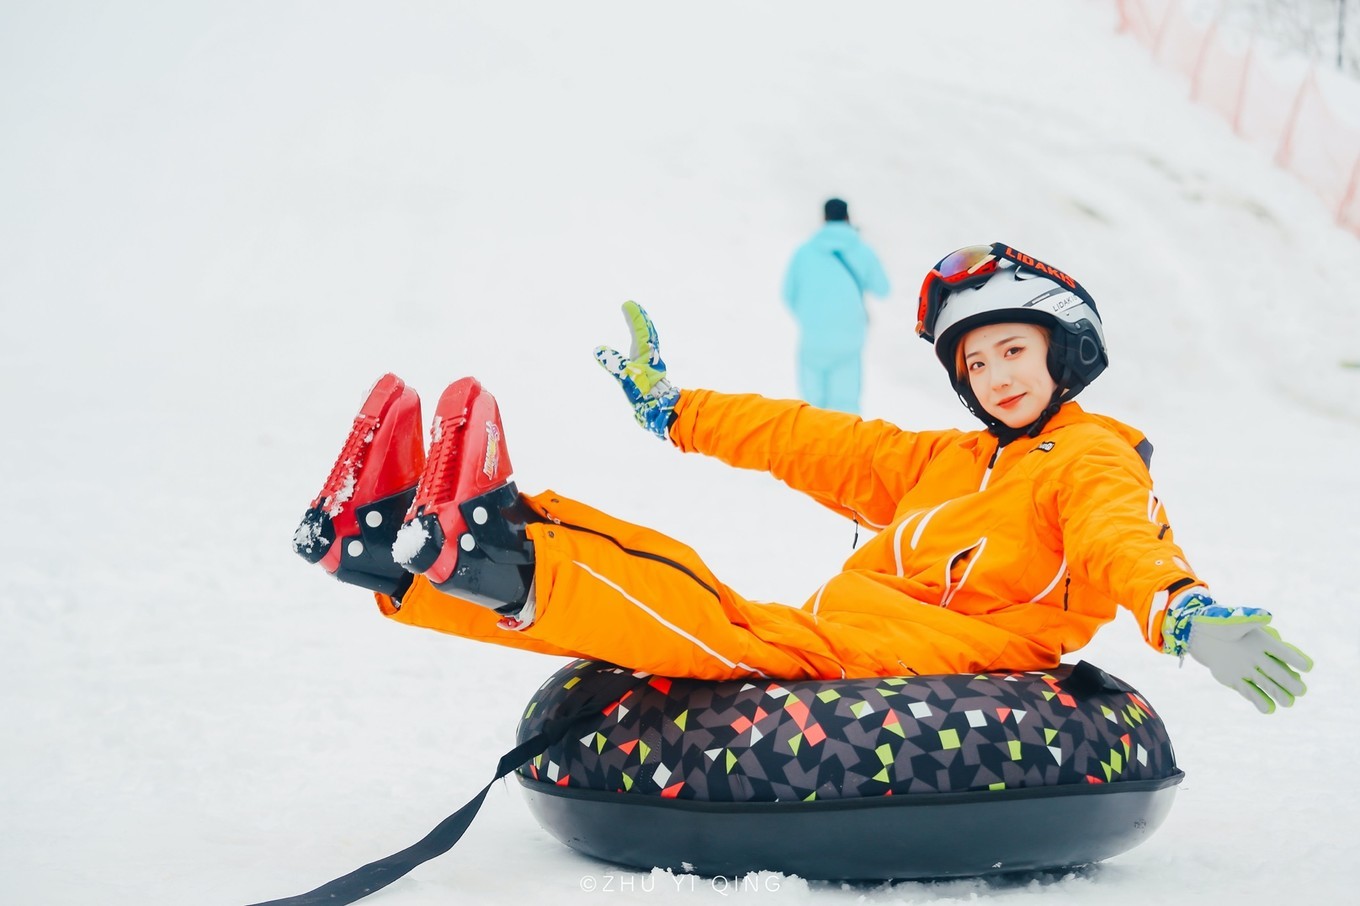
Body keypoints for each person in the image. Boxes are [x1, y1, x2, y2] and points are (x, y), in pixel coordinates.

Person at [293, 243, 1312, 714]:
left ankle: (490, 546)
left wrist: (1183, 613)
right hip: (850, 639)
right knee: (702, 605)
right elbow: (810, 439)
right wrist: (675, 409)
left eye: (1011, 351)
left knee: (712, 617)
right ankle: (396, 554)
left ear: (1064, 352)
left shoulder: (1088, 458)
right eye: (976, 363)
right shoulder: (950, 464)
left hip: (923, 670)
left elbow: (1116, 541)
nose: (996, 376)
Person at [781, 198, 890, 414]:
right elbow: (883, 288)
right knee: (846, 408)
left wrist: (809, 318)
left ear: (824, 218)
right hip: (849, 339)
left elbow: (788, 294)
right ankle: (846, 448)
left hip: (813, 339)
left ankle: (811, 445)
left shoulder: (804, 252)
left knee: (811, 408)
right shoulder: (861, 250)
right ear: (848, 217)